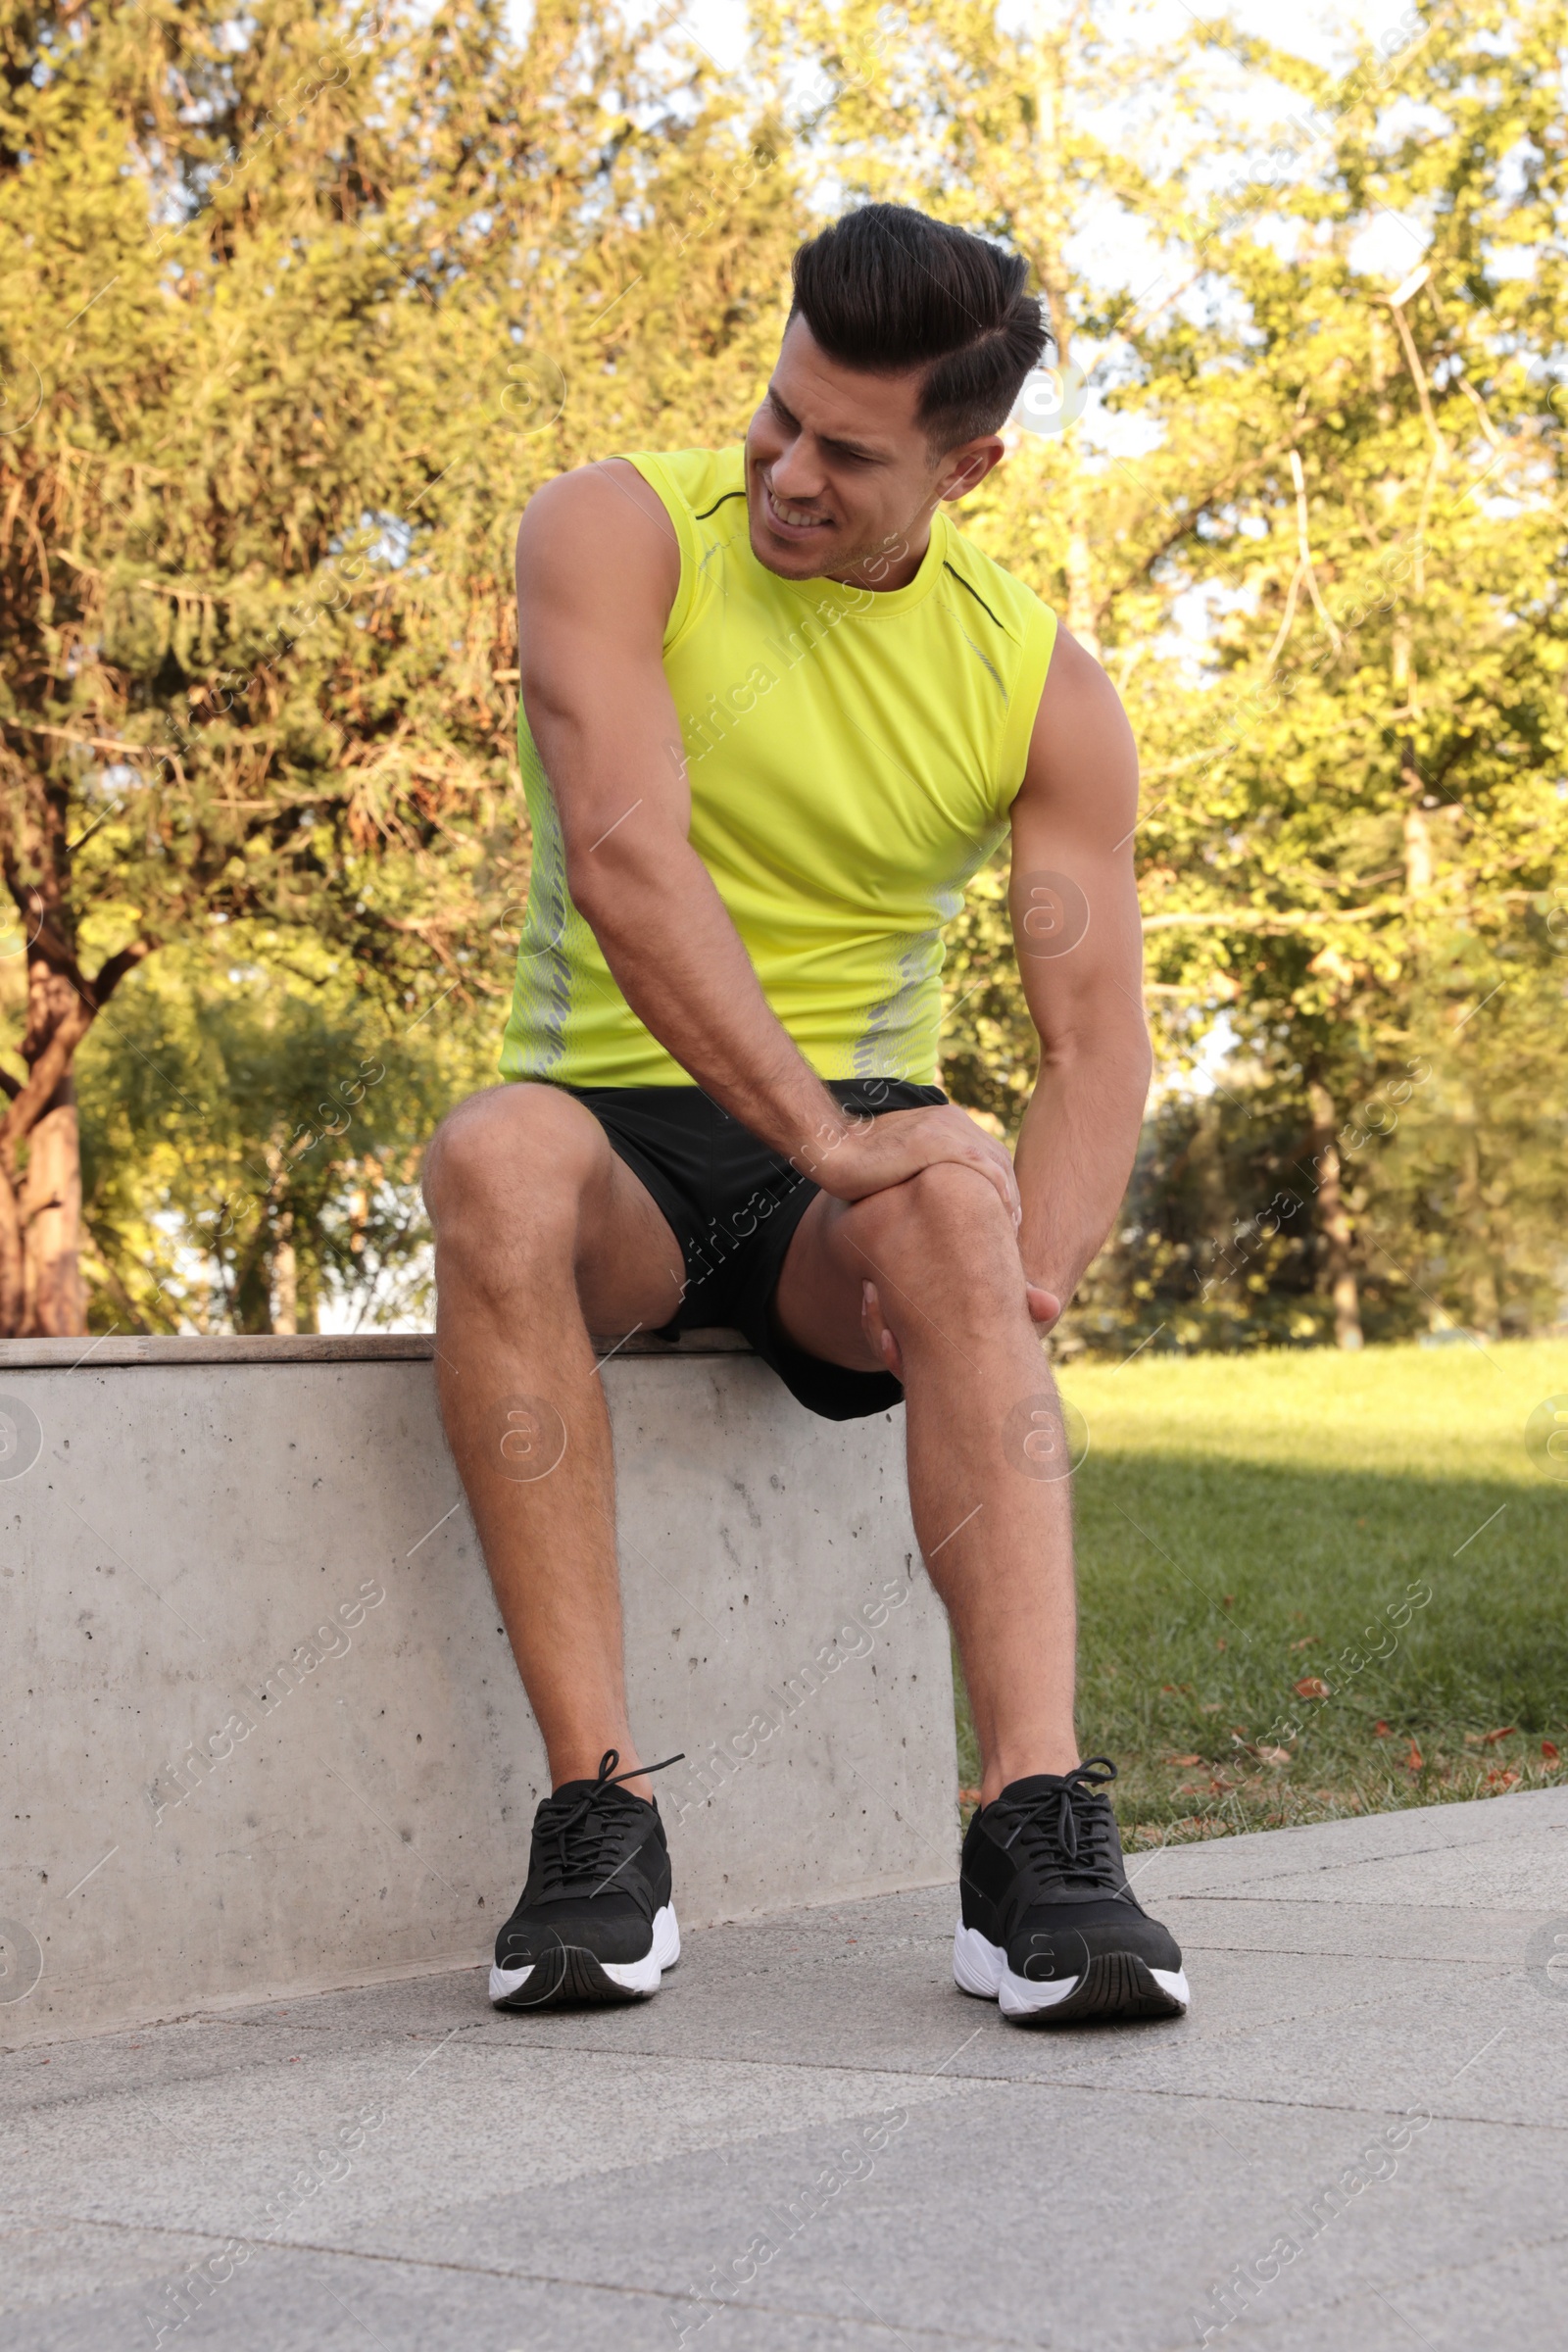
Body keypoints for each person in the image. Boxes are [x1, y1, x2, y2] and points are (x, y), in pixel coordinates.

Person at [423, 202, 1188, 2025]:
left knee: (955, 1196)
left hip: (846, 1183)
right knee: (489, 1151)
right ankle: (600, 1820)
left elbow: (1097, 1046)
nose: (787, 472)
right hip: (614, 1129)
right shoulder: (615, 531)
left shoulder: (1041, 684)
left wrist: (1017, 1295)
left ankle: (1033, 1836)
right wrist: (826, 1137)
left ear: (969, 462)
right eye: (780, 417)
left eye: (849, 454)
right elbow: (622, 853)